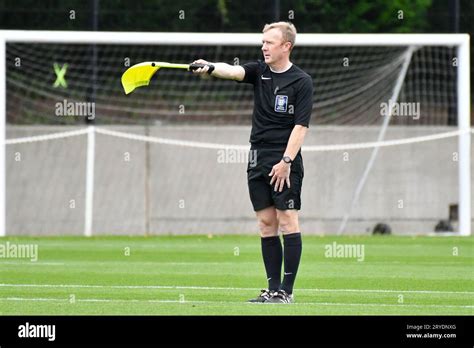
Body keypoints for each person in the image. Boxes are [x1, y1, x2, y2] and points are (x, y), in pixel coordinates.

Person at [192, 21, 313, 303]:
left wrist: (286, 161)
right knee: (265, 223)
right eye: (262, 42)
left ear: (286, 46)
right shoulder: (260, 71)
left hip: (284, 158)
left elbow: (301, 127)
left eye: (269, 42)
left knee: (287, 220)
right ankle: (272, 290)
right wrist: (209, 66)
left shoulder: (301, 81)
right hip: (256, 156)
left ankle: (287, 292)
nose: (263, 47)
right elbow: (233, 71)